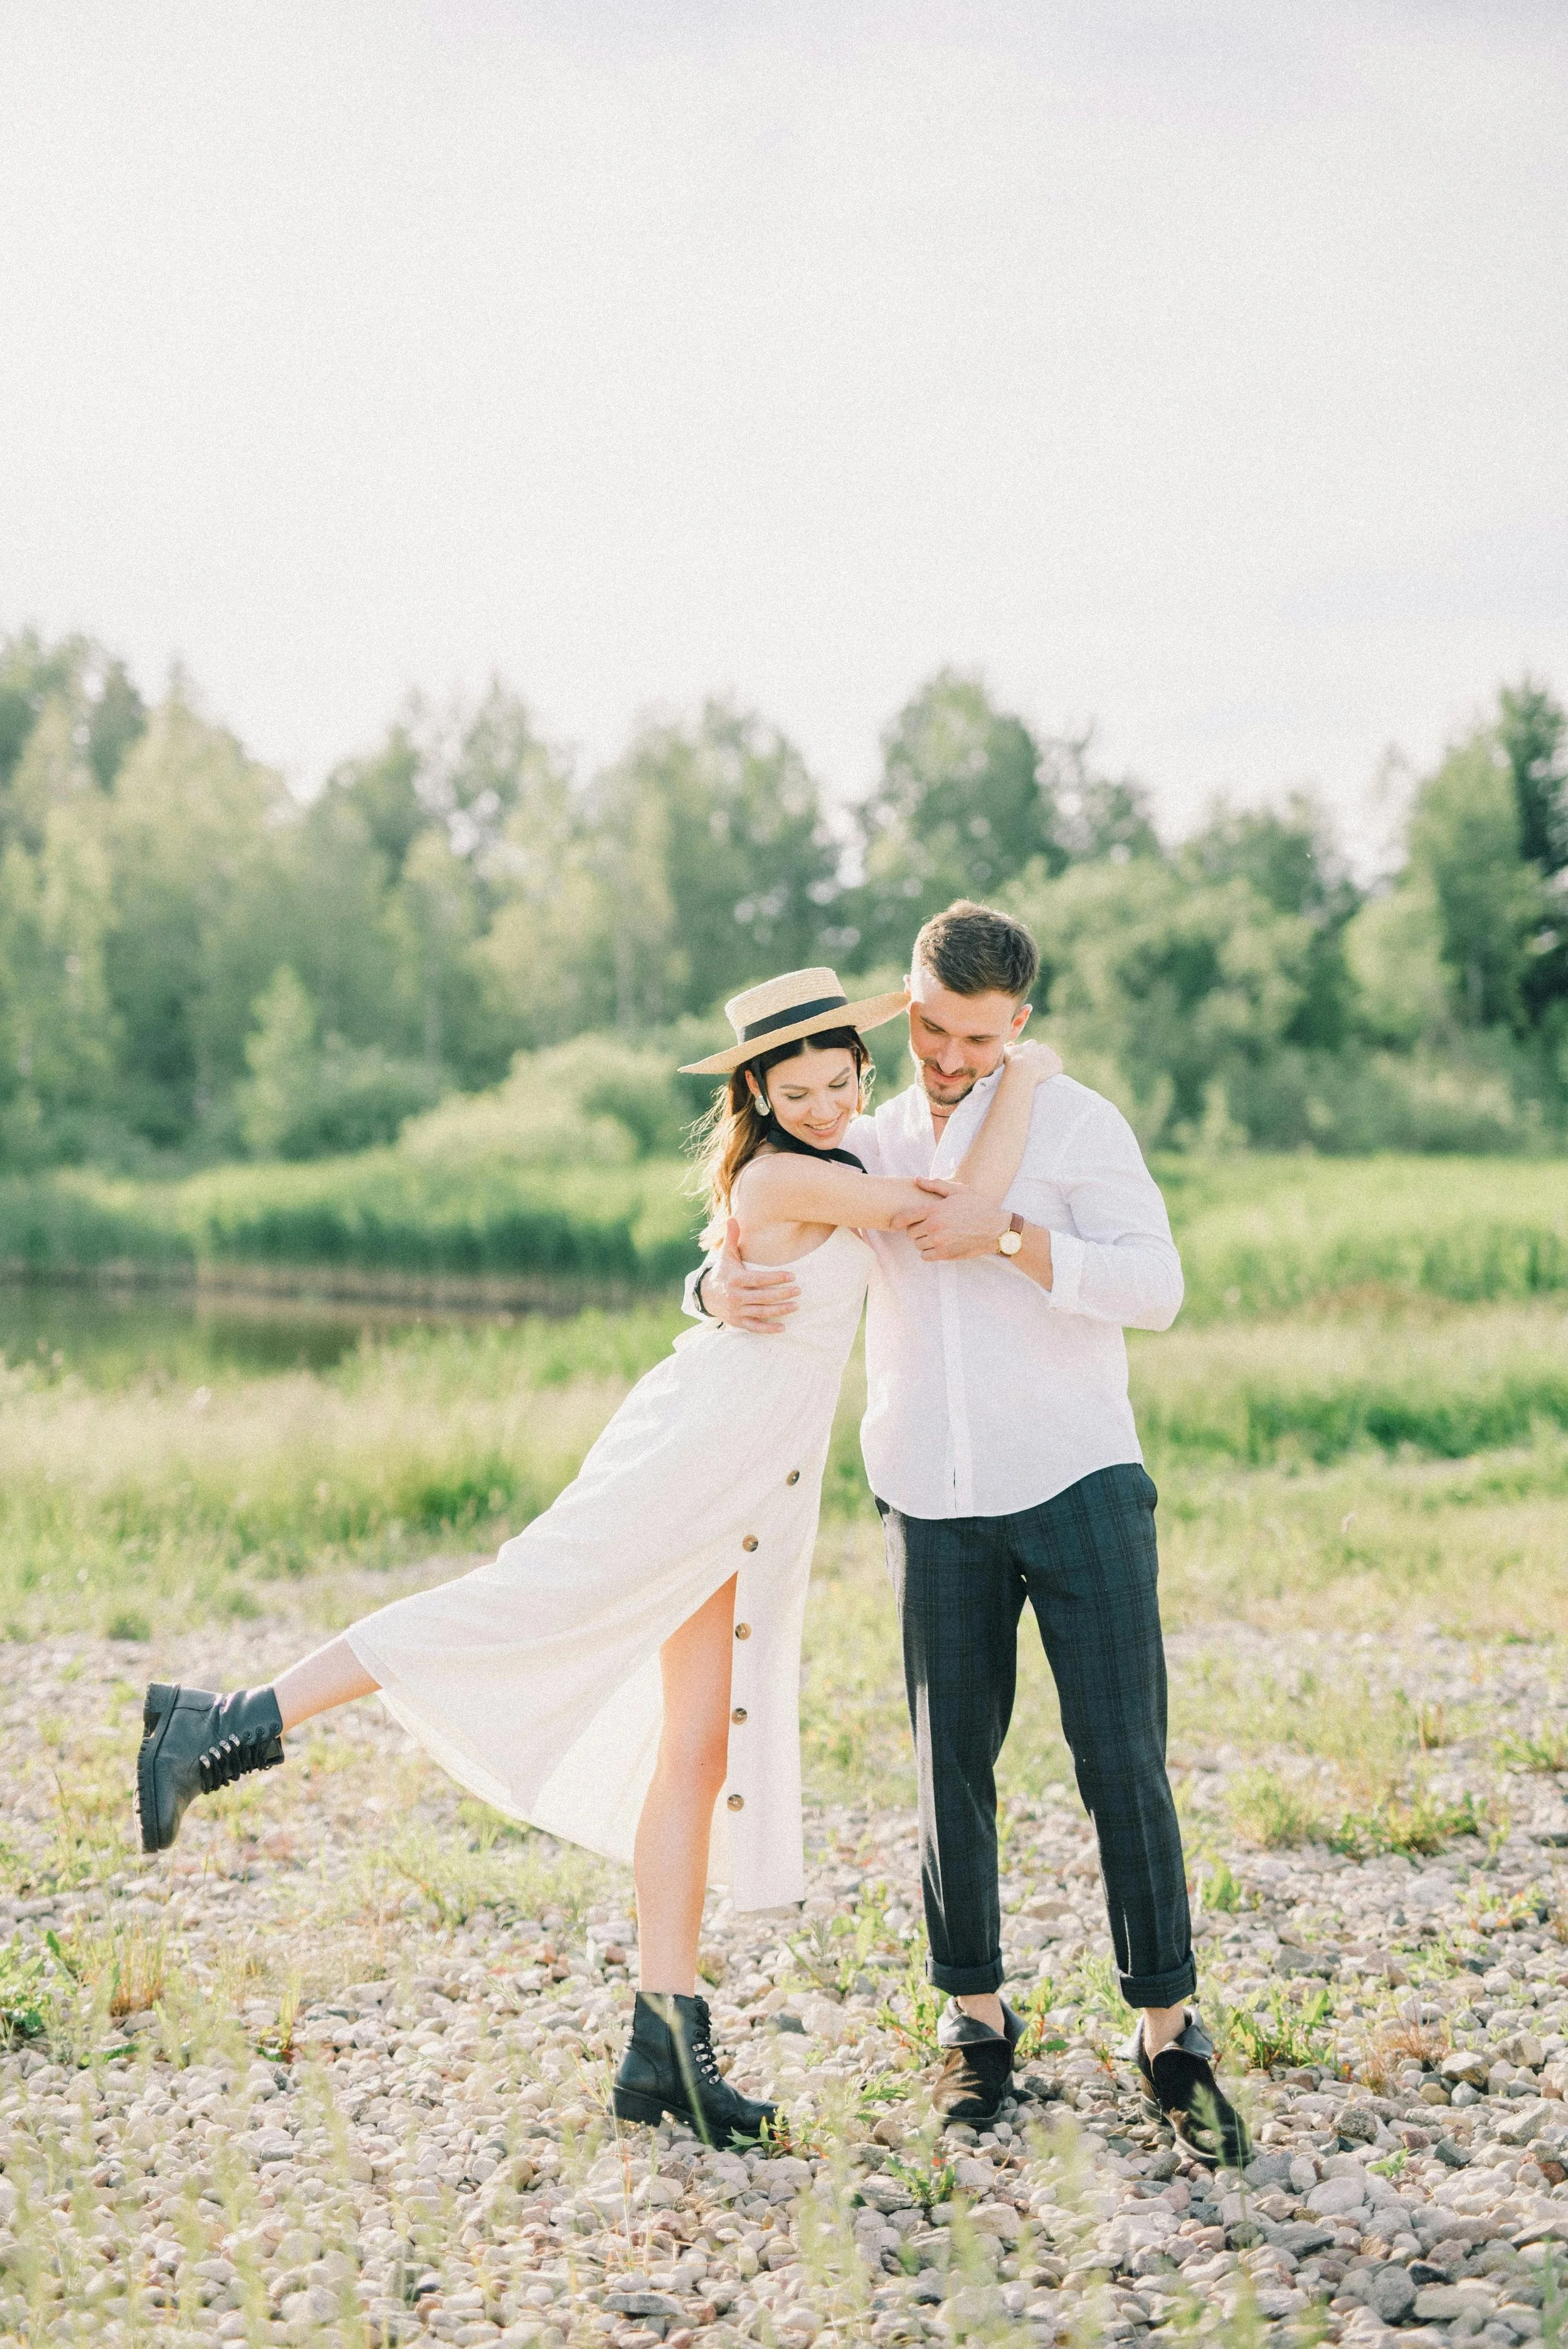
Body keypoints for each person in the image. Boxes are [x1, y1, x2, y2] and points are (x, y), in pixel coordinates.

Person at [134, 967, 1059, 2149]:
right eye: (800, 1087)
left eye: (841, 1080)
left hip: (750, 1485)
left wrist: (708, 1281)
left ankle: (661, 2043)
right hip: (693, 1454)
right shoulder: (788, 1172)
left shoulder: (838, 1164)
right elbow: (956, 1216)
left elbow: (866, 1222)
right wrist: (1025, 1076)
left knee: (700, 1742)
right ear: (759, 1095)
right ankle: (225, 1719)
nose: (827, 1103)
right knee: (517, 1606)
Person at [689, 901, 1249, 2165]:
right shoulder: (857, 1131)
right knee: (950, 1768)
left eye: (976, 1042)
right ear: (903, 1003)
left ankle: (1168, 2029)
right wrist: (707, 1286)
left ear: (1022, 1025)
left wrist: (1007, 1236)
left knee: (1121, 1764)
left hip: (1077, 1478)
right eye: (929, 1031)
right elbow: (749, 1225)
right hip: (930, 1500)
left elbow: (1154, 1286)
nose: (945, 1061)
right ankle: (975, 2025)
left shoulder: (1073, 1120)